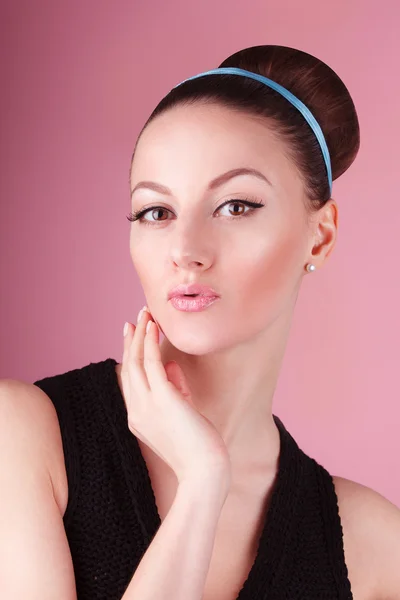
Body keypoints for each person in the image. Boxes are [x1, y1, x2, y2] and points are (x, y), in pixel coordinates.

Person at [1, 44, 399, 600]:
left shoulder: (374, 549)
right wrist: (201, 487)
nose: (185, 250)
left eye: (236, 205)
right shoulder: (23, 437)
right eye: (156, 212)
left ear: (321, 235)